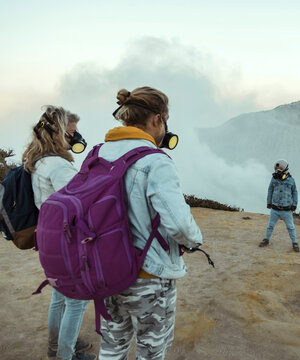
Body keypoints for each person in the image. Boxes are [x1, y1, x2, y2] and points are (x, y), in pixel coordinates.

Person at [98, 86, 203, 359]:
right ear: (157, 119)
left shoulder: (99, 153)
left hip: (108, 272)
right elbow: (179, 225)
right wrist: (194, 241)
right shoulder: (155, 161)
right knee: (151, 351)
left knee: (112, 347)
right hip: (149, 277)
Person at [22, 107, 95, 360]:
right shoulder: (58, 165)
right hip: (66, 238)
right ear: (59, 134)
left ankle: (57, 346)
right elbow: (77, 204)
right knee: (77, 298)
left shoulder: (39, 160)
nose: (76, 139)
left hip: (48, 235)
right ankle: (66, 354)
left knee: (60, 295)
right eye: (72, 133)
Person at [259, 159, 299, 252]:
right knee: (270, 225)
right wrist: (269, 202)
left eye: (279, 170)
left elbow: (295, 192)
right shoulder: (274, 179)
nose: (277, 172)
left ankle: (294, 242)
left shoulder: (291, 180)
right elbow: (270, 190)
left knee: (290, 227)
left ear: (285, 170)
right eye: (276, 170)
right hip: (275, 208)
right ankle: (266, 239)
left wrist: (294, 204)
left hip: (286, 210)